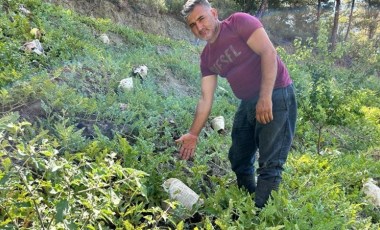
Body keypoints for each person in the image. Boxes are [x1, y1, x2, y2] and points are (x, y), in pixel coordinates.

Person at [175, 0, 297, 209]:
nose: (199, 27)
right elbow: (206, 98)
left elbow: (269, 52)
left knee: (270, 163)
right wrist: (193, 134)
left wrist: (265, 97)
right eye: (192, 25)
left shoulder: (239, 22)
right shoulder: (207, 57)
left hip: (276, 93)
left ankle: (260, 217)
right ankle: (248, 202)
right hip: (247, 101)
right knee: (239, 157)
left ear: (213, 12)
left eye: (201, 18)